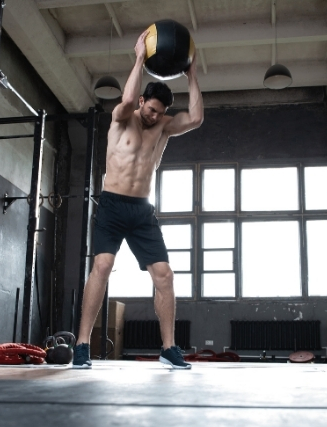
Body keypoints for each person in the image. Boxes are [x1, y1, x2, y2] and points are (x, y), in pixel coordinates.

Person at [72, 29, 204, 369]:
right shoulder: (122, 118)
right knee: (102, 265)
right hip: (113, 205)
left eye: (160, 112)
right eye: (151, 109)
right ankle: (83, 344)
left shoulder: (163, 127)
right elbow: (127, 101)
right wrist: (139, 59)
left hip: (142, 211)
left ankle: (168, 348)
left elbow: (197, 117)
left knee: (165, 276)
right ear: (143, 102)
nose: (153, 116)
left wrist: (191, 75)